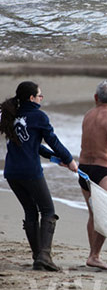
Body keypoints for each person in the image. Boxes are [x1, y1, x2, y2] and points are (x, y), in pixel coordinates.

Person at [0, 80, 78, 270]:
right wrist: (69, 160)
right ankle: (44, 255)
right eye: (40, 95)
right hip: (30, 172)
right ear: (31, 98)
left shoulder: (13, 114)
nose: (41, 98)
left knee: (30, 211)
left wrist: (54, 158)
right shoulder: (38, 116)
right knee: (48, 210)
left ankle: (38, 256)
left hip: (11, 172)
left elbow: (34, 146)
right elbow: (53, 141)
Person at [78, 80, 107, 270]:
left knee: (94, 214)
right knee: (106, 214)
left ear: (95, 97)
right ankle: (94, 256)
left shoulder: (88, 115)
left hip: (84, 169)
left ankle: (92, 254)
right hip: (102, 170)